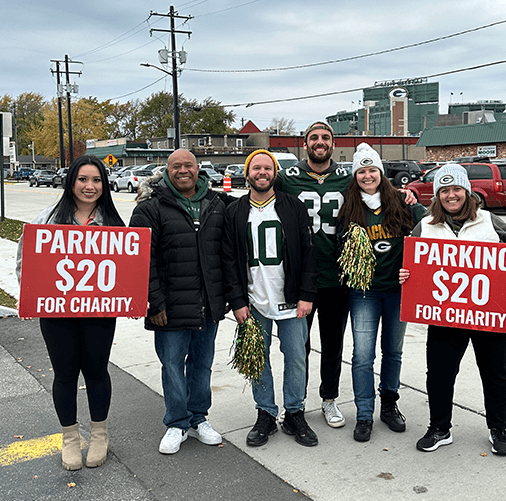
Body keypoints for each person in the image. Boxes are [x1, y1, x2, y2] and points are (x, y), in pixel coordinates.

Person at [275, 121, 416, 429]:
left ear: (333, 143)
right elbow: (257, 195)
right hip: (300, 277)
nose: (320, 142)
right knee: (297, 347)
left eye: (325, 137)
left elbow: (378, 189)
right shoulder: (287, 178)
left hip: (338, 277)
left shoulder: (347, 178)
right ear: (305, 144)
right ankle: (294, 407)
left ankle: (329, 398)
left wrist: (406, 193)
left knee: (333, 344)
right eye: (314, 137)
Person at [399, 163, 506, 456]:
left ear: (467, 191)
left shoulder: (490, 221)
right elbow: (412, 262)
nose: (451, 195)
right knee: (440, 373)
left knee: (495, 372)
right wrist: (406, 276)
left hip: (489, 314)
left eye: (456, 189)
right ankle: (439, 427)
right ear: (437, 195)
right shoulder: (427, 226)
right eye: (444, 190)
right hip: (446, 315)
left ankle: (498, 428)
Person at [16, 155, 125, 471]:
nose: (89, 187)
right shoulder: (49, 218)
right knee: (64, 374)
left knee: (96, 371)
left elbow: (128, 268)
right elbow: (27, 261)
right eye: (83, 179)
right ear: (71, 182)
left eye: (96, 180)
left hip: (99, 313)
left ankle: (100, 435)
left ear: (104, 185)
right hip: (57, 313)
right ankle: (70, 439)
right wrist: (32, 297)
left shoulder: (112, 223)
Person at [129, 149, 231, 455]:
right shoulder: (151, 208)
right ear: (166, 171)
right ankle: (176, 422)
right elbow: (142, 260)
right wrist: (155, 303)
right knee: (172, 366)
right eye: (176, 166)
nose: (182, 170)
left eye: (188, 165)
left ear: (198, 169)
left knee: (202, 365)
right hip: (169, 307)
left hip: (208, 305)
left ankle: (199, 419)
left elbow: (226, 253)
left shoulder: (217, 203)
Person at [222, 150, 319, 447]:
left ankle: (294, 412)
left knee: (297, 358)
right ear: (248, 173)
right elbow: (228, 259)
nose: (261, 172)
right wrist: (237, 301)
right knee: (257, 360)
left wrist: (306, 295)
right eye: (256, 168)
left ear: (274, 172)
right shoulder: (235, 211)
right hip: (254, 302)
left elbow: (308, 252)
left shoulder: (293, 206)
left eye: (267, 168)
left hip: (290, 300)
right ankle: (265, 412)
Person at [337, 143, 426, 442]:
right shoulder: (349, 206)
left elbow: (433, 224)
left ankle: (389, 405)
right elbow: (340, 247)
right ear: (355, 175)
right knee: (362, 356)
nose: (367, 175)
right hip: (364, 292)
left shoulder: (402, 202)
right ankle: (364, 413)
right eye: (361, 171)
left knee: (393, 351)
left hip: (398, 289)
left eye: (372, 169)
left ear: (381, 172)